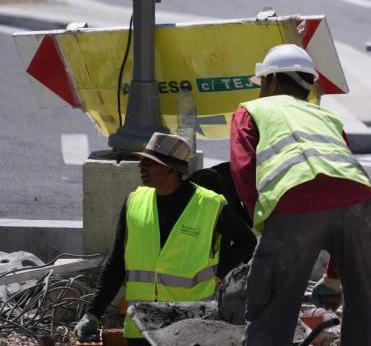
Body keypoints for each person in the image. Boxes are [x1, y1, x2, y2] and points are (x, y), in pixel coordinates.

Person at [230, 44, 371, 346]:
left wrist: (266, 228)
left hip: (295, 201)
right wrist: (334, 277)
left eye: (263, 84)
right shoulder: (326, 117)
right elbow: (339, 187)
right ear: (308, 84)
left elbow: (244, 171)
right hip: (359, 200)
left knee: (273, 311)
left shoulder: (253, 110)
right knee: (362, 307)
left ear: (271, 81)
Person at [74, 133, 257, 345]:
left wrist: (217, 275)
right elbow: (116, 264)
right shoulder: (134, 202)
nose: (141, 166)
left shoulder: (210, 205)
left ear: (173, 169)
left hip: (189, 326)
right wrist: (93, 314)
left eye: (150, 162)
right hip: (141, 327)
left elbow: (247, 242)